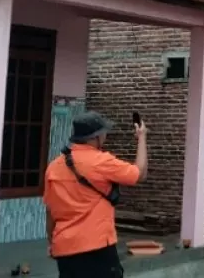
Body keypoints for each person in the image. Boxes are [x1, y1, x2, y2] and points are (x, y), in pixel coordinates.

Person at [44, 111, 149, 278]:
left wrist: (53, 242)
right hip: (97, 248)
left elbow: (50, 212)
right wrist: (142, 137)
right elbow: (139, 174)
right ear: (95, 137)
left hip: (65, 250)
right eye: (104, 132)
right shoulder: (102, 162)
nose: (106, 135)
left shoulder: (54, 166)